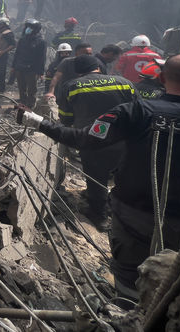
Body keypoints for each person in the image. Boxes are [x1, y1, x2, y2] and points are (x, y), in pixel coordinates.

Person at [17, 54, 180, 299]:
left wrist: (35, 120)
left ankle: (129, 309)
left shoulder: (138, 112)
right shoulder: (131, 95)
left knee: (131, 279)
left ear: (161, 79)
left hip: (135, 215)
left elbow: (83, 138)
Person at [56, 55, 136, 230]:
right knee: (124, 176)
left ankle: (99, 216)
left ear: (77, 71)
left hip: (92, 139)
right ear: (98, 67)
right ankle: (123, 213)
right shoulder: (124, 83)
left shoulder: (71, 86)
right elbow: (139, 109)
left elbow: (66, 117)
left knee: (96, 177)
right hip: (123, 138)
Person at [12, 19, 46, 108]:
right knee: (21, 87)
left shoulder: (41, 42)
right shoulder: (22, 39)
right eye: (27, 27)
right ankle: (22, 102)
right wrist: (13, 66)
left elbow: (42, 58)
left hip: (32, 70)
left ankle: (31, 105)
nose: (27, 29)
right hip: (20, 67)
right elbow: (17, 53)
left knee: (32, 89)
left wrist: (41, 72)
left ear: (36, 29)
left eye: (30, 27)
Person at [0, 17, 16, 93]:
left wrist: (2, 52)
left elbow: (13, 45)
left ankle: (1, 89)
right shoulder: (0, 31)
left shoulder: (8, 33)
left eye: (0, 24)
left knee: (0, 73)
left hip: (2, 56)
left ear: (5, 25)